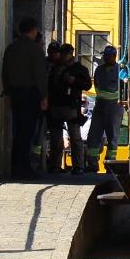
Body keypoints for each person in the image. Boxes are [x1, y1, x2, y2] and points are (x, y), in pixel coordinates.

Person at [2, 17, 48, 178]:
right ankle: (24, 168)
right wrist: (44, 96)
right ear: (33, 30)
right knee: (27, 132)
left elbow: (4, 73)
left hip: (15, 94)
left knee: (18, 130)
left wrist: (8, 92)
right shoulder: (35, 50)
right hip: (30, 94)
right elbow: (40, 75)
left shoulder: (11, 49)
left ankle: (15, 166)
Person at [46, 43, 91, 173]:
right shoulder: (55, 67)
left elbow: (87, 85)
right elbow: (49, 85)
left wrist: (74, 81)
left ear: (71, 54)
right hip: (56, 106)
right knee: (56, 138)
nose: (64, 56)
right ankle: (55, 166)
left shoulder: (79, 69)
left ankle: (78, 167)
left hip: (71, 107)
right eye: (63, 53)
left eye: (67, 53)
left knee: (75, 137)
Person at [86, 44, 123, 171]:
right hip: (100, 106)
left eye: (108, 56)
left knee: (113, 137)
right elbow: (96, 85)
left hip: (114, 108)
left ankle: (110, 165)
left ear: (114, 56)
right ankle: (92, 165)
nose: (105, 58)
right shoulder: (99, 70)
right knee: (94, 135)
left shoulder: (120, 70)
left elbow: (123, 89)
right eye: (104, 56)